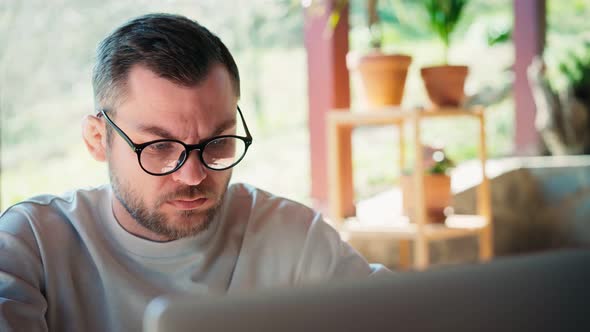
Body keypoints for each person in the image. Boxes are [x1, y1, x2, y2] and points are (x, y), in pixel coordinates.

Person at [0, 13, 389, 331]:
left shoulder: (291, 237)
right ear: (98, 139)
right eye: (160, 147)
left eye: (217, 143)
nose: (193, 176)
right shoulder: (32, 245)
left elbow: (407, 312)